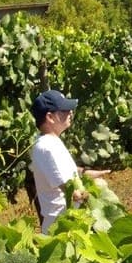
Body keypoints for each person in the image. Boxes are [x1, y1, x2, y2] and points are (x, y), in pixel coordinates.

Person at [30, 89, 109, 233]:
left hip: (69, 222)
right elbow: (70, 190)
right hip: (62, 227)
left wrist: (85, 172)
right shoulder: (46, 147)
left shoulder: (51, 142)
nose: (70, 113)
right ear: (50, 117)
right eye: (64, 110)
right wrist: (95, 194)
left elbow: (65, 172)